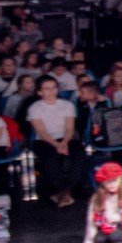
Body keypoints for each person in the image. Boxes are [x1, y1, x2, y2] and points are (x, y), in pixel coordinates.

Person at [28, 74, 80, 207]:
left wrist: (64, 142)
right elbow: (41, 131)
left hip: (65, 138)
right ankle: (62, 191)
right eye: (47, 89)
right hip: (45, 140)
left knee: (80, 154)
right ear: (40, 92)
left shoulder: (67, 105)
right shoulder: (34, 108)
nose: (51, 91)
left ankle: (66, 191)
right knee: (49, 156)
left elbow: (69, 128)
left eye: (54, 88)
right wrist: (56, 144)